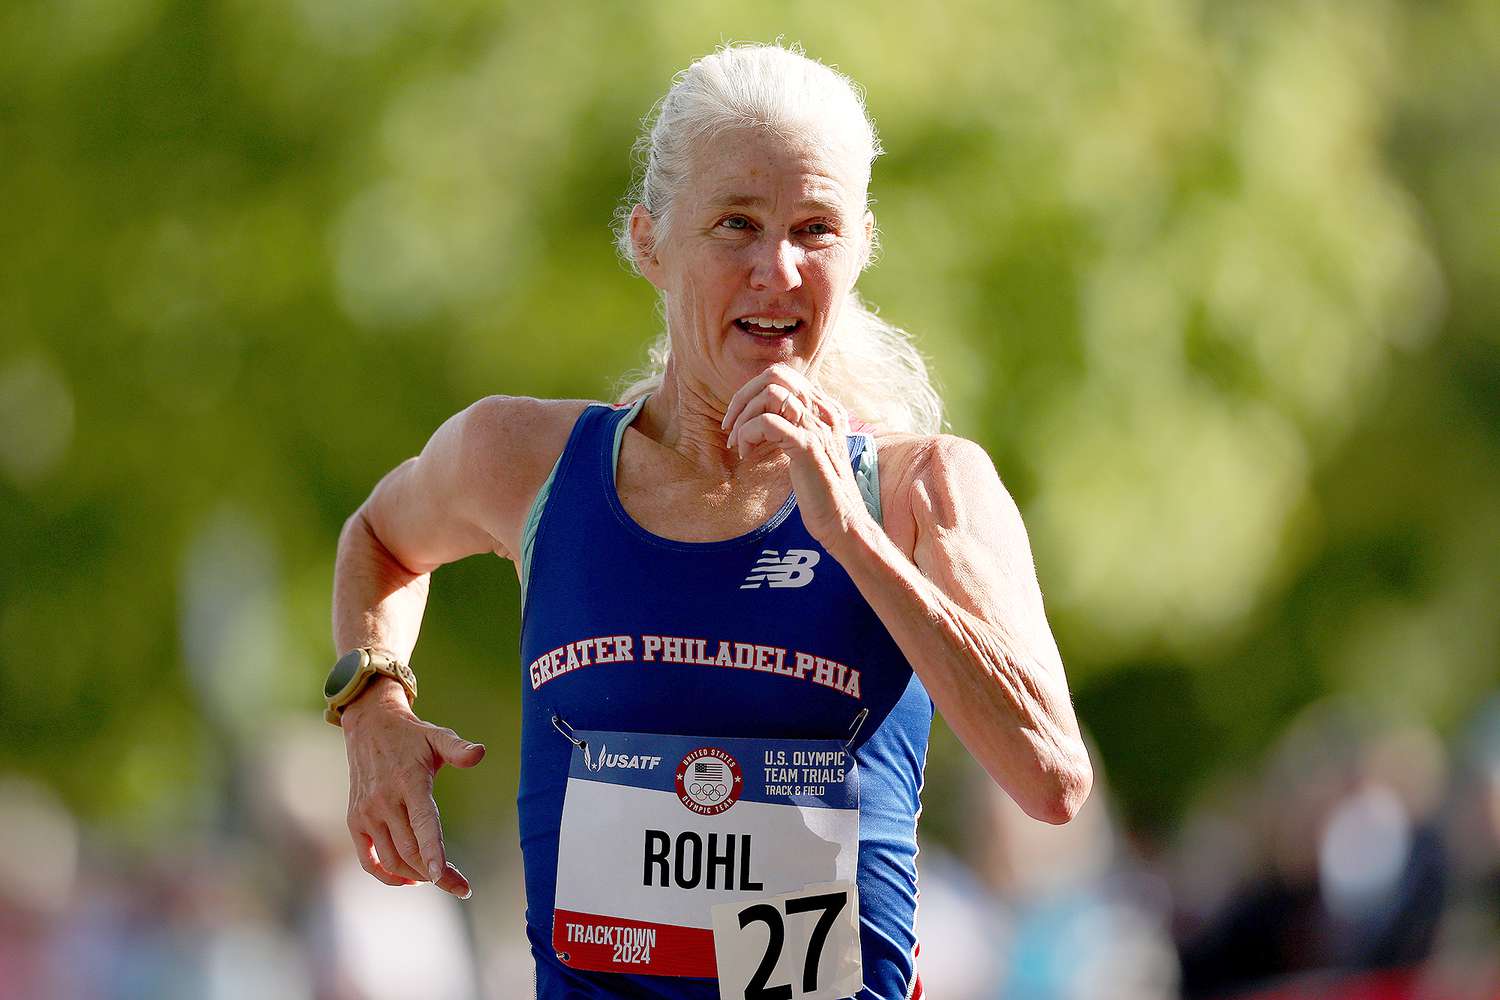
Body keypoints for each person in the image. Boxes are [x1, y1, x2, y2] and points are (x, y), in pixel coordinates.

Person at [328, 41, 1092, 999]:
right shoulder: (525, 463)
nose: (777, 270)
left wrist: (849, 534)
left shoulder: (923, 492)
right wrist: (373, 705)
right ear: (649, 241)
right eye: (737, 224)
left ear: (860, 250)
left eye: (815, 229)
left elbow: (1051, 780)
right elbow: (378, 539)